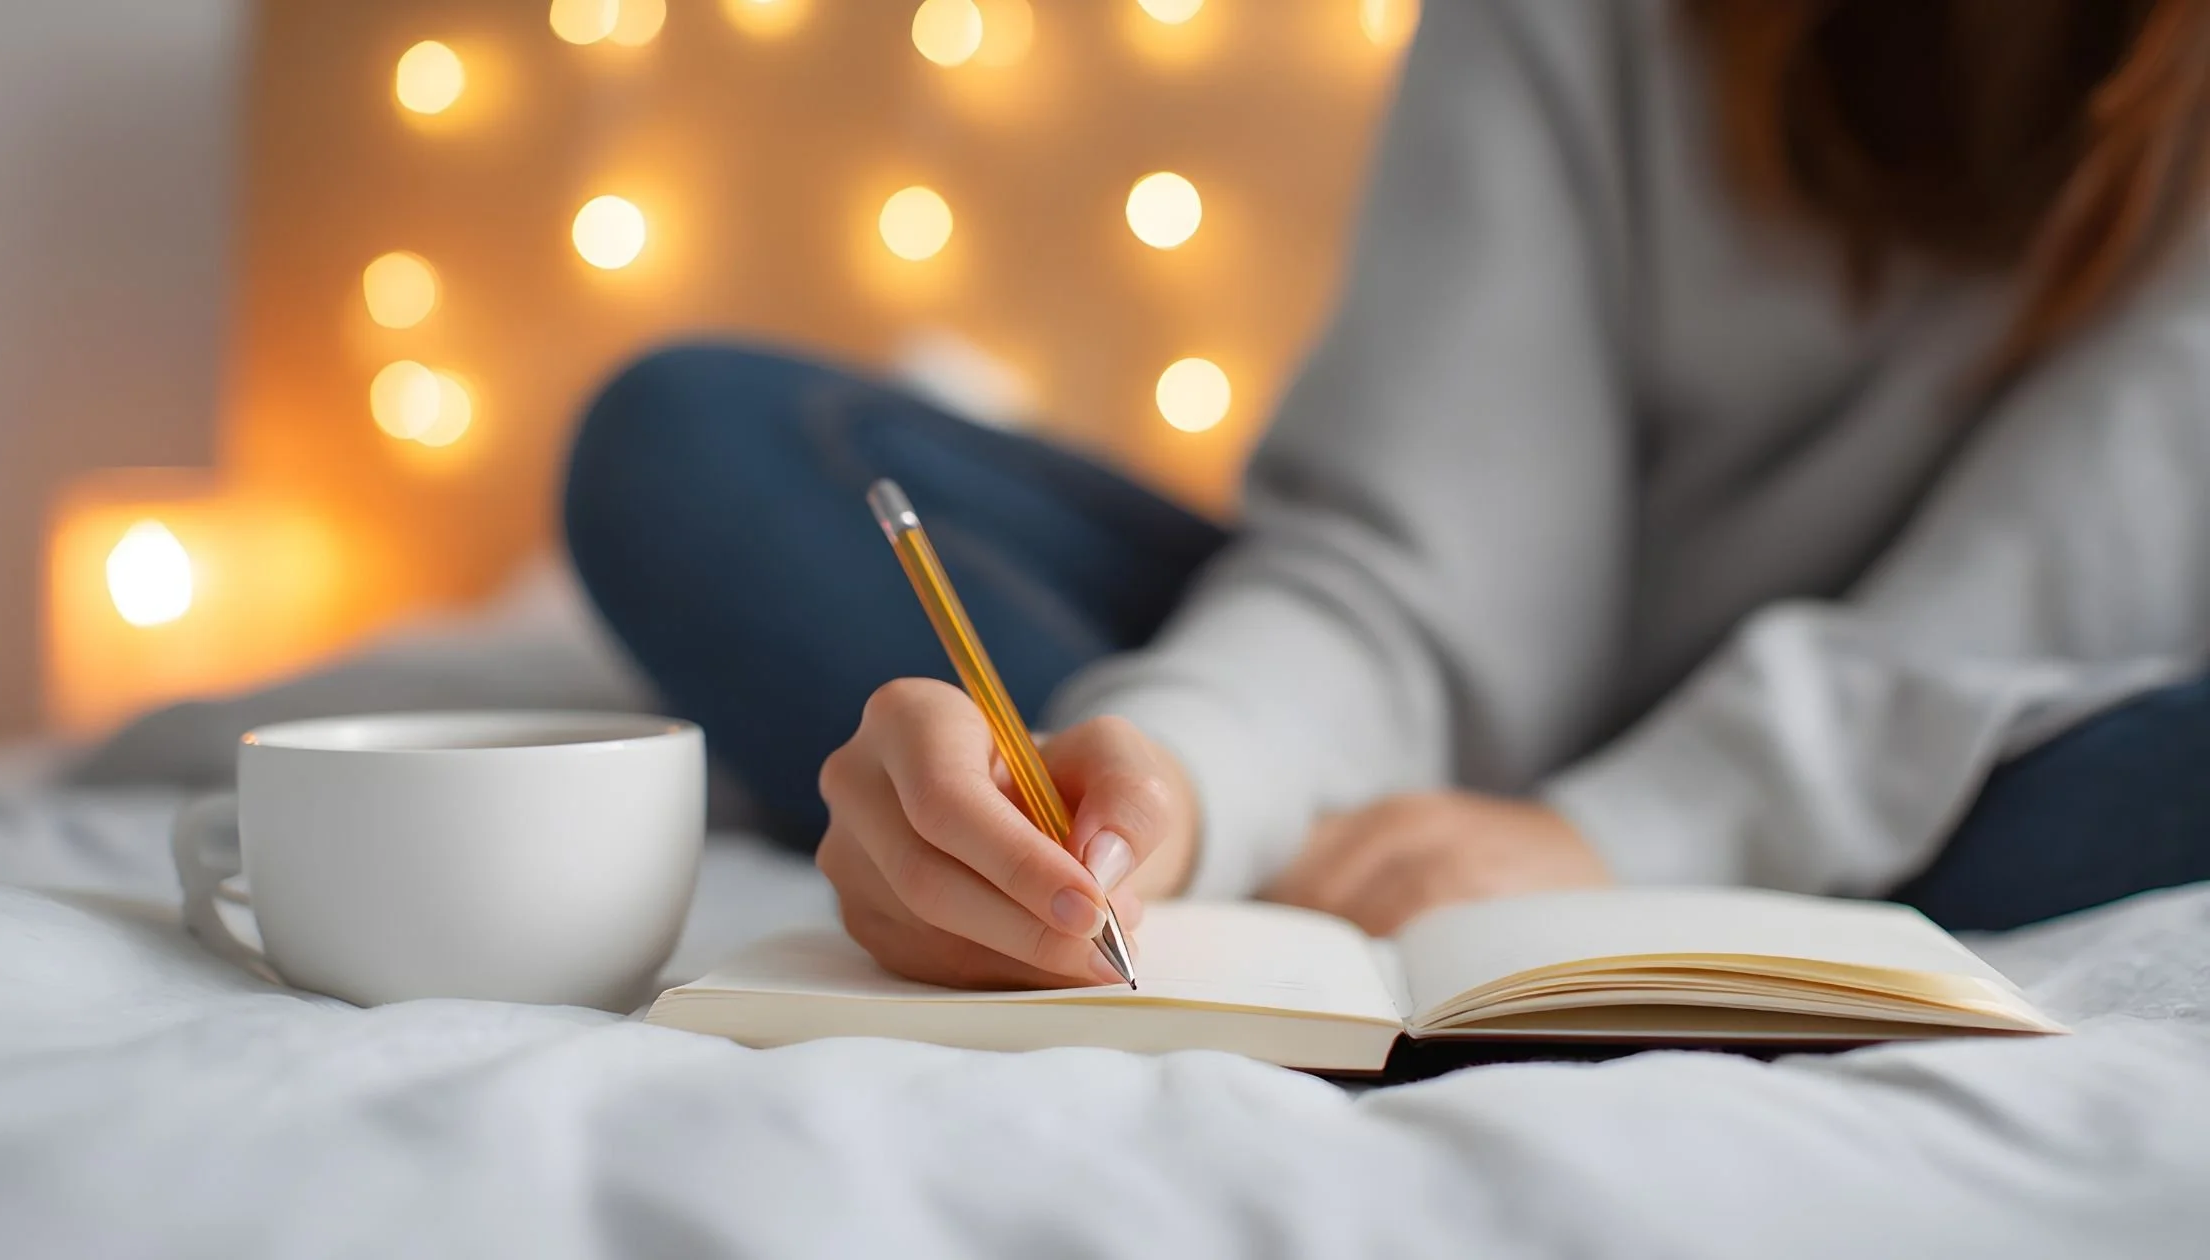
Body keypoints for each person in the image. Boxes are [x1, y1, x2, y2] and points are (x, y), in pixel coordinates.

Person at [564, 0, 2210, 988]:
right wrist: (1178, 780)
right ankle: (1102, 853)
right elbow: (1406, 576)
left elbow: (2029, 601)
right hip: (1463, 738)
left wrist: (1623, 836)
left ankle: (1554, 873)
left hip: (1971, 742)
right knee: (698, 451)